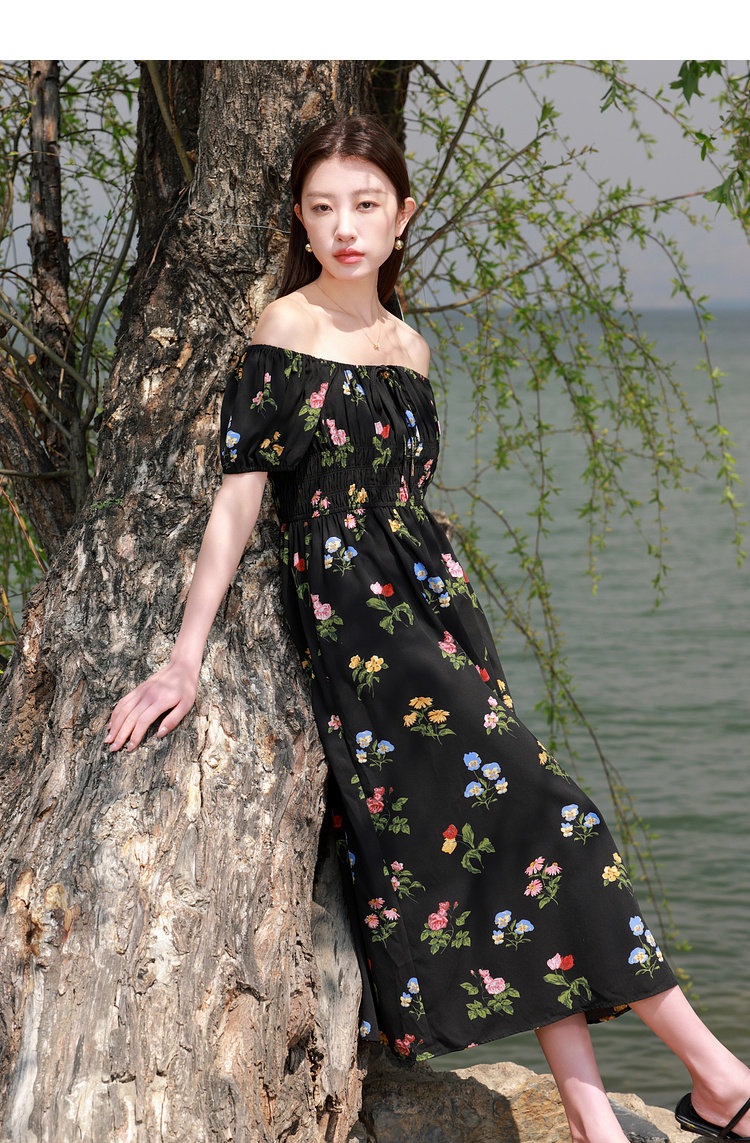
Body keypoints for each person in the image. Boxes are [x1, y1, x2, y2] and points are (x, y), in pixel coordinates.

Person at [106, 115, 750, 1143]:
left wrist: (451, 612)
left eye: (366, 205)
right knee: (562, 823)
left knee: (521, 848)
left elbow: (406, 497)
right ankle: (725, 1082)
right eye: (322, 207)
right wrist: (184, 658)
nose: (344, 227)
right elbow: (240, 501)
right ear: (300, 221)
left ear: (401, 217)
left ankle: (600, 1127)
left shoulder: (412, 346)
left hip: (438, 615)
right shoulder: (283, 327)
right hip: (359, 628)